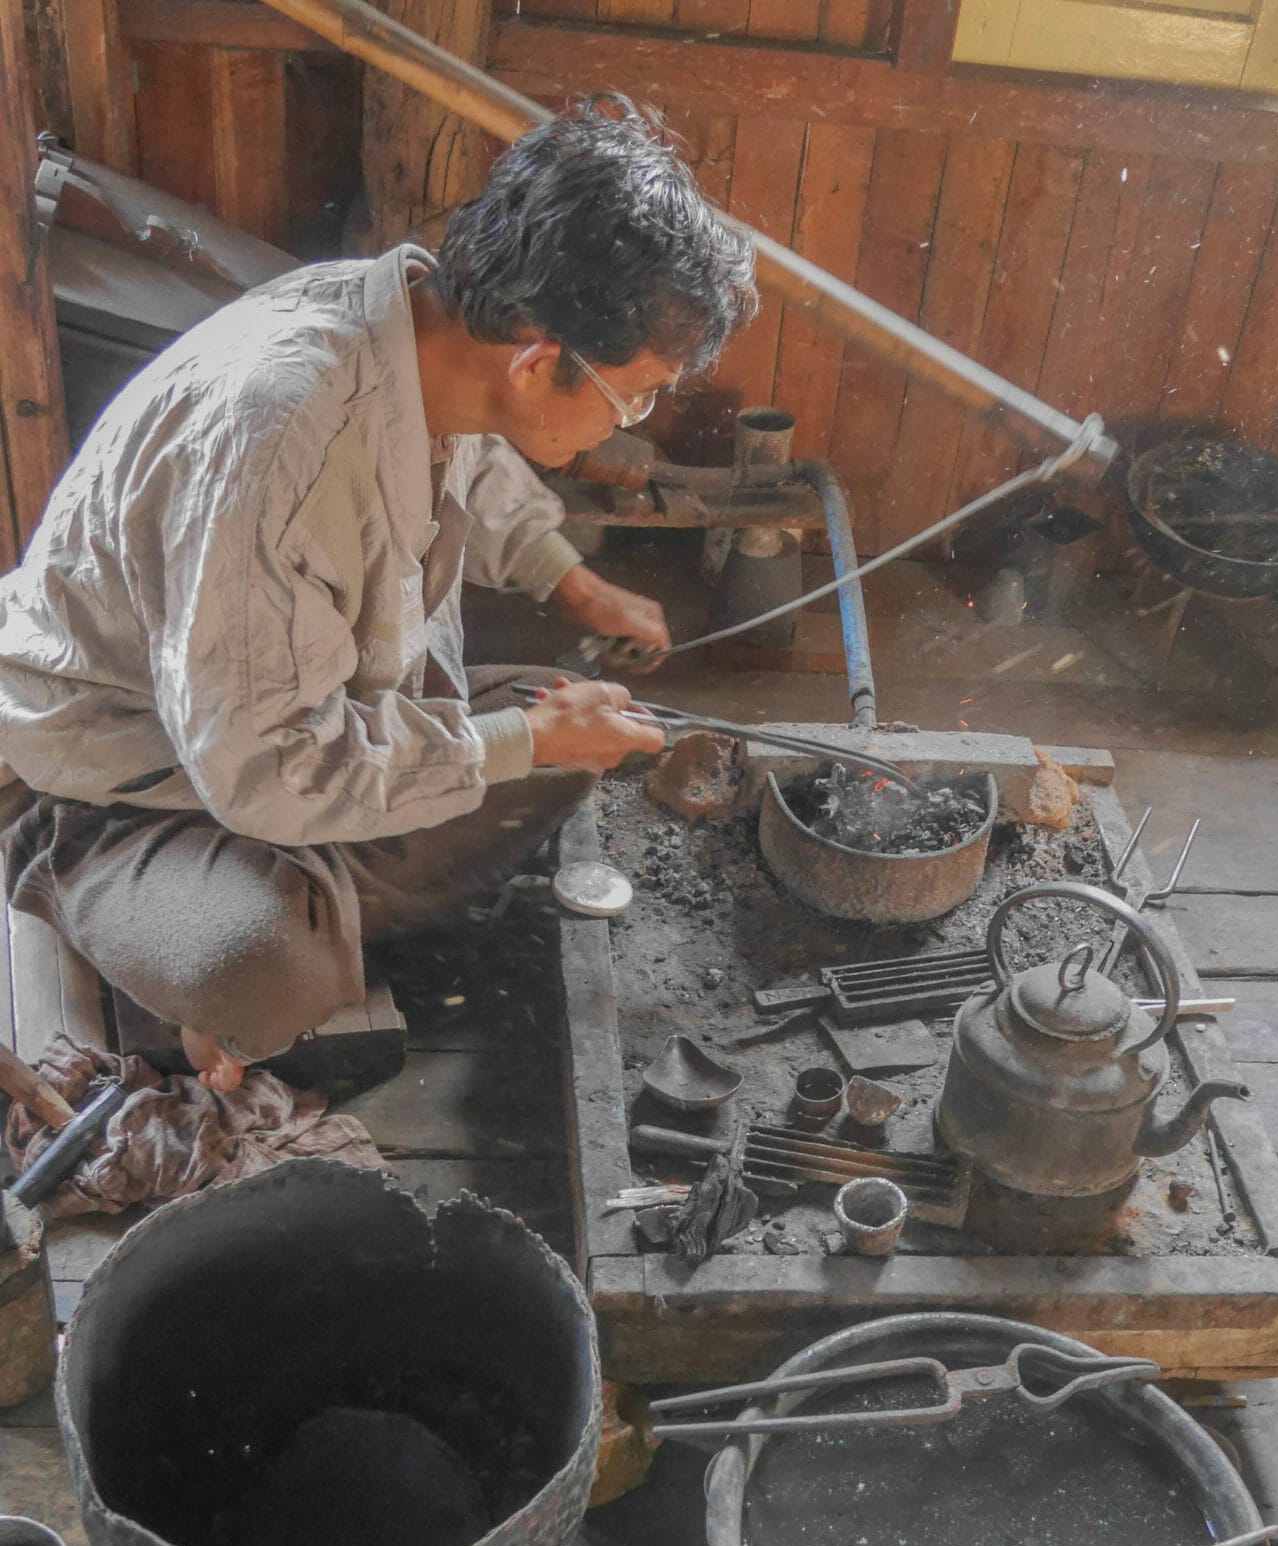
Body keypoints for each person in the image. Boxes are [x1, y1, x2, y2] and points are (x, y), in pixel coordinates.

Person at [0, 100, 756, 1090]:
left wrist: (571, 585)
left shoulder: (429, 332)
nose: (636, 419)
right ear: (537, 362)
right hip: (122, 769)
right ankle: (99, 876)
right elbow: (262, 766)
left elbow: (477, 457)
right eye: (637, 393)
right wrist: (511, 743)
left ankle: (297, 889)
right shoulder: (281, 441)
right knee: (271, 974)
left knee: (568, 738)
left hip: (271, 727)